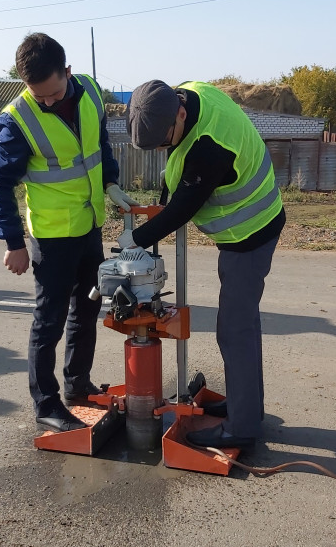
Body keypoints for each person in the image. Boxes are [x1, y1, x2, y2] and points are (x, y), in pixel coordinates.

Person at [122, 80, 284, 450]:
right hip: (245, 230)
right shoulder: (187, 94)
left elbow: (183, 208)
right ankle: (246, 407)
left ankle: (241, 427)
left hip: (251, 233)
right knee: (243, 326)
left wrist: (135, 240)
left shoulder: (211, 146)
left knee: (235, 329)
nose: (165, 149)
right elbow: (177, 172)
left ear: (180, 113)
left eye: (165, 142)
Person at [0, 32, 135, 433]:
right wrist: (14, 243)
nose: (47, 102)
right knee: (48, 322)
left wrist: (110, 182)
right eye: (39, 96)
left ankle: (76, 383)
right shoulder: (18, 120)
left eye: (53, 93)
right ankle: (46, 404)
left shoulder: (87, 90)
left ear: (68, 72)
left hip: (88, 224)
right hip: (51, 237)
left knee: (87, 308)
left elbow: (99, 145)